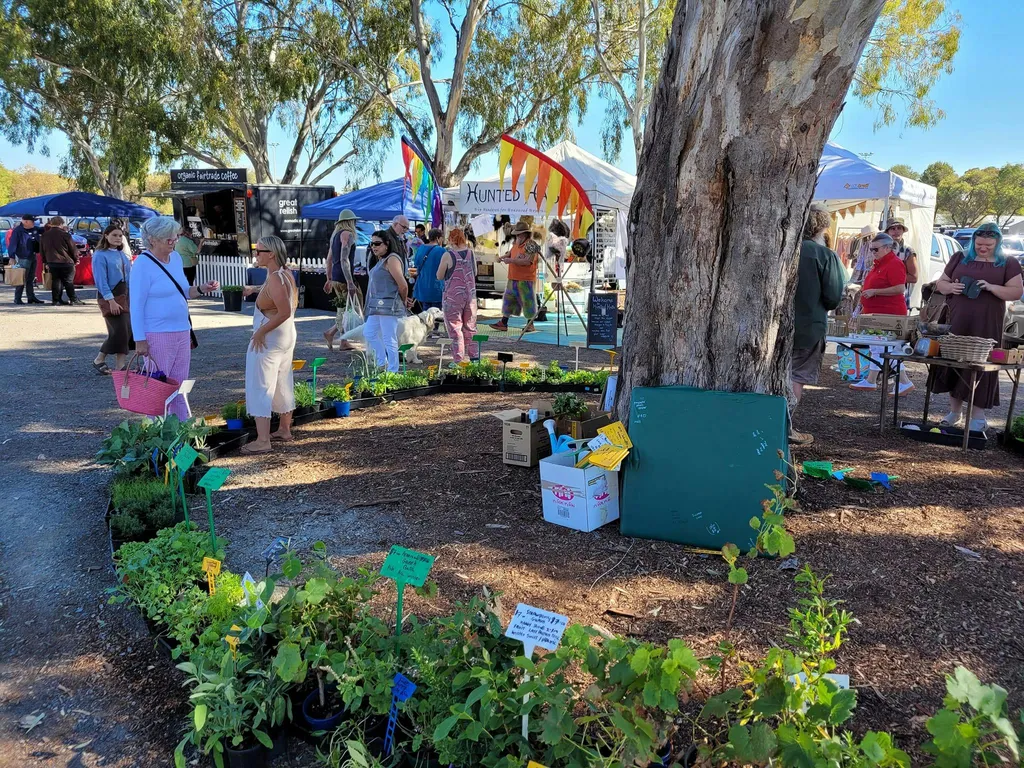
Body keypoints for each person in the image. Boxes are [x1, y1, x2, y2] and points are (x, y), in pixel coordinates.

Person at [931, 223, 1024, 431]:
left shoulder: (1008, 263)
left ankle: (978, 416)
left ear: (997, 243)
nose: (983, 248)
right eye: (979, 244)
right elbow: (941, 283)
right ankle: (954, 412)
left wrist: (991, 287)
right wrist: (951, 287)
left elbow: (1016, 292)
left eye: (988, 245)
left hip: (987, 321)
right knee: (954, 360)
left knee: (981, 363)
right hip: (956, 318)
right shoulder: (959, 257)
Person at [130, 216, 219, 419]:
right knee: (158, 388)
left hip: (181, 330)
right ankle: (156, 436)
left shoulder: (176, 259)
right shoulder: (143, 264)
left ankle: (182, 433)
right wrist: (139, 339)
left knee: (179, 386)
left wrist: (202, 288)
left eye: (175, 238)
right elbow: (136, 305)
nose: (173, 242)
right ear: (152, 239)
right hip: (158, 333)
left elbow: (184, 290)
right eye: (168, 240)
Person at [790, 204, 846, 446]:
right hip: (808, 326)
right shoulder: (824, 255)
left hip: (772, 326)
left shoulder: (783, 248)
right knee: (796, 376)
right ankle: (785, 426)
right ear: (822, 228)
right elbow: (833, 296)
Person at [242, 236, 299, 454]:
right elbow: (277, 295)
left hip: (271, 338)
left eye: (259, 250)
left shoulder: (276, 277)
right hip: (285, 337)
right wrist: (255, 289)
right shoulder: (284, 273)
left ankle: (262, 440)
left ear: (271, 254)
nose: (255, 254)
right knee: (283, 380)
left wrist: (260, 332)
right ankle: (284, 429)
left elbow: (283, 311)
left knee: (260, 384)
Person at [848, 233, 914, 394]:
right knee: (878, 348)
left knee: (884, 348)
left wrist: (875, 292)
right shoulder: (878, 264)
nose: (872, 252)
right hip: (876, 314)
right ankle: (872, 380)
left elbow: (900, 288)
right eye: (871, 249)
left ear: (886, 248)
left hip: (889, 315)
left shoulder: (894, 263)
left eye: (875, 249)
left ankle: (902, 381)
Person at [364, 230, 413, 372]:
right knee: (369, 332)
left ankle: (393, 370)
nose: (374, 247)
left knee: (389, 337)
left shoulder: (392, 259)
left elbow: (402, 284)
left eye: (377, 243)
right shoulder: (380, 260)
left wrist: (403, 301)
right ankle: (382, 362)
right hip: (377, 306)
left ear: (387, 244)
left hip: (388, 305)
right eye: (372, 244)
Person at [92, 224, 134, 375]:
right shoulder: (100, 255)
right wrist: (110, 300)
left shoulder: (122, 254)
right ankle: (99, 359)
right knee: (118, 331)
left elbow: (129, 277)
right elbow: (101, 281)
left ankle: (120, 365)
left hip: (125, 294)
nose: (117, 238)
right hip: (110, 295)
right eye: (114, 235)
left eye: (120, 235)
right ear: (106, 235)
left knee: (127, 330)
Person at [436, 227, 478, 362]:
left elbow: (439, 275)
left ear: (450, 239)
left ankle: (458, 360)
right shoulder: (471, 253)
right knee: (470, 327)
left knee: (455, 328)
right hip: (470, 296)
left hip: (453, 297)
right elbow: (475, 272)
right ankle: (474, 358)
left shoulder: (448, 255)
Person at [322, 209, 361, 351]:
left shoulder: (335, 236)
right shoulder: (347, 235)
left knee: (344, 309)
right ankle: (340, 338)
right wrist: (350, 282)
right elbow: (344, 259)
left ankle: (334, 334)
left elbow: (329, 259)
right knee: (351, 308)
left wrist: (329, 278)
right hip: (345, 278)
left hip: (336, 278)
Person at [491, 221, 538, 332]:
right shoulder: (516, 243)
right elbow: (510, 253)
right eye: (516, 234)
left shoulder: (532, 245)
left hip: (526, 279)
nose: (517, 236)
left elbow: (527, 261)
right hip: (513, 277)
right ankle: (503, 322)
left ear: (525, 234)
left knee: (528, 301)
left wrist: (511, 260)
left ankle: (530, 324)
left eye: (519, 234)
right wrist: (502, 257)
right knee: (509, 300)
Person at [40, 216, 82, 305]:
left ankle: (56, 300)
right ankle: (73, 299)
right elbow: (73, 249)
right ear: (61, 224)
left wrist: (45, 262)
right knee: (68, 281)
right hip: (66, 261)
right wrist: (76, 259)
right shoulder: (65, 235)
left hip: (52, 261)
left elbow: (42, 250)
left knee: (56, 281)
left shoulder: (44, 235)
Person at [8, 214, 43, 305]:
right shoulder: (18, 231)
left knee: (30, 279)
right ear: (26, 221)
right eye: (32, 221)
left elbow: (44, 230)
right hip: (23, 257)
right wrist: (11, 256)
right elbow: (13, 244)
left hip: (33, 255)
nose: (34, 223)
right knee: (21, 278)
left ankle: (31, 297)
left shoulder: (34, 229)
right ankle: (18, 298)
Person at [883, 217, 918, 308]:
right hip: (881, 295)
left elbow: (914, 277)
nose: (896, 231)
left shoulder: (908, 251)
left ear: (903, 231)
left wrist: (891, 278)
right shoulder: (882, 248)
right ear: (887, 232)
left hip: (899, 297)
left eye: (899, 228)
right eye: (893, 229)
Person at [413, 228, 446, 310]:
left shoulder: (420, 248)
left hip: (423, 287)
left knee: (426, 315)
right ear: (438, 238)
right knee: (436, 315)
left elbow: (416, 264)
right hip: (436, 288)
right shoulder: (442, 251)